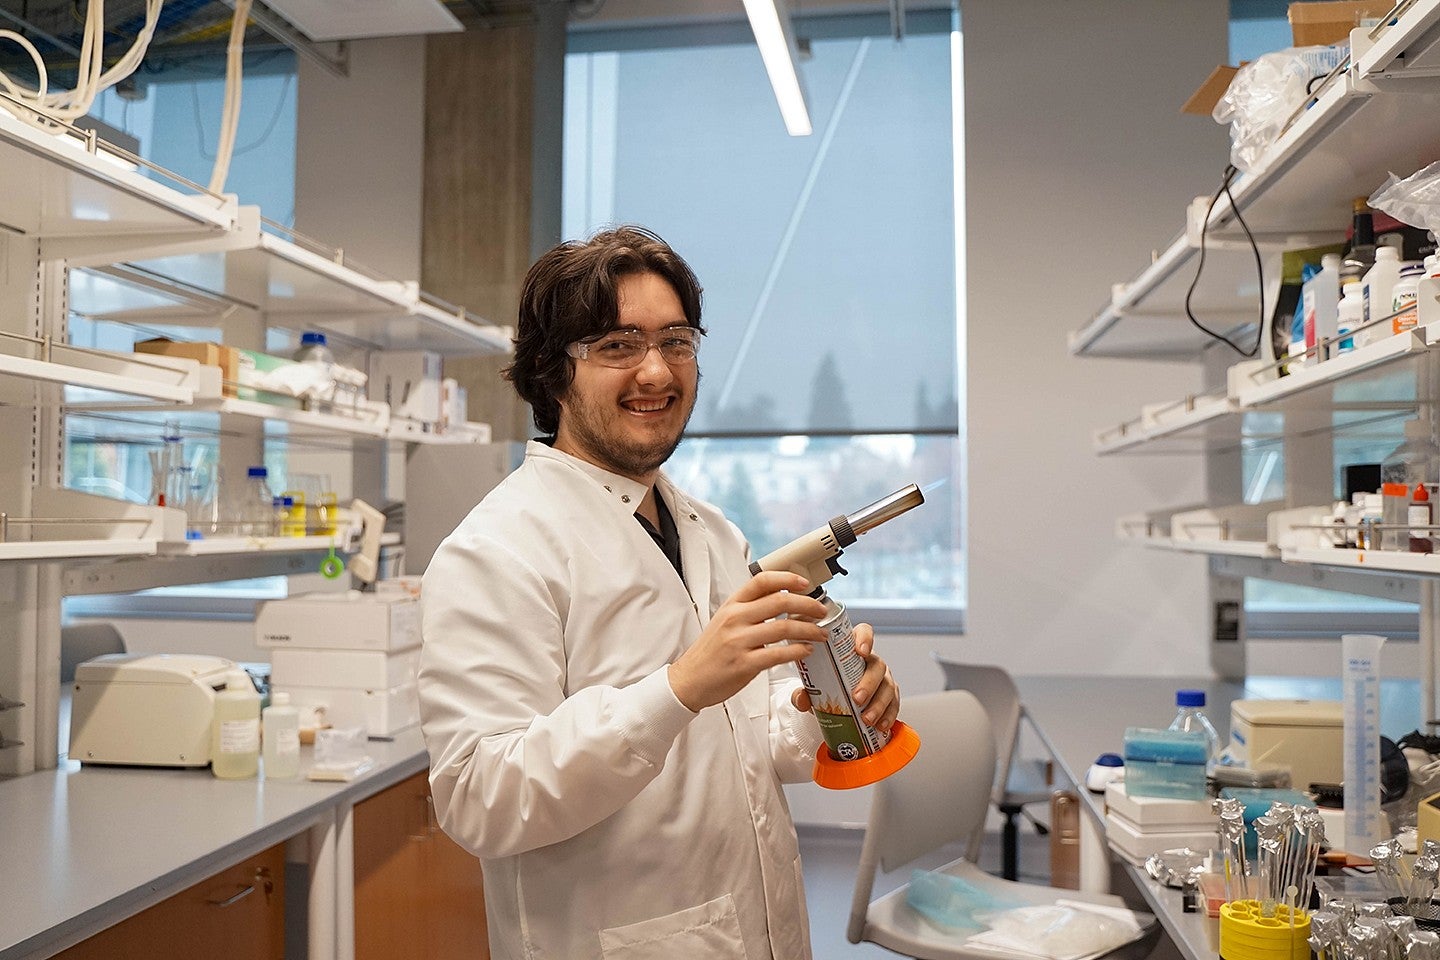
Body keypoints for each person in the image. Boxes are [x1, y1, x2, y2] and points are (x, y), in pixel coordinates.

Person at [418, 225, 901, 960]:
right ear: (552, 371)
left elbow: (756, 740)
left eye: (677, 341)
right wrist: (675, 691)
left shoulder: (711, 530)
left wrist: (830, 711)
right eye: (618, 345)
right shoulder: (497, 550)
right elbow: (480, 798)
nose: (657, 371)